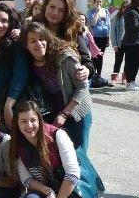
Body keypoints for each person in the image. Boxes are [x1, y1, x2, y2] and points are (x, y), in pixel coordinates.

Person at [9, 101, 83, 198]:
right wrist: (48, 192)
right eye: (23, 121)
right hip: (45, 191)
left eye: (33, 120)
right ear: (17, 124)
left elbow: (72, 174)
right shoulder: (18, 144)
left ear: (39, 120)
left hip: (67, 192)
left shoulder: (57, 135)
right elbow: (26, 179)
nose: (29, 125)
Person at [23, 22, 93, 150]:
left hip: (76, 112)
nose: (38, 44)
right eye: (33, 41)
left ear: (47, 39)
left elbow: (82, 87)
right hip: (52, 116)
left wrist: (64, 114)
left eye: (41, 39)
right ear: (26, 45)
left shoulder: (64, 56)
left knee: (78, 154)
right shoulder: (26, 65)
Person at [33, 0, 95, 79]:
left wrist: (86, 70)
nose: (55, 13)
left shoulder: (74, 30)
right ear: (45, 6)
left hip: (68, 82)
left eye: (61, 10)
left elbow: (87, 62)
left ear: (66, 13)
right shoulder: (34, 26)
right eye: (52, 7)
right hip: (38, 81)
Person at [121, 0, 139, 91]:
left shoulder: (137, 12)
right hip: (131, 43)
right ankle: (129, 82)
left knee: (136, 62)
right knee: (131, 63)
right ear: (138, 4)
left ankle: (132, 80)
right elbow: (134, 27)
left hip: (137, 42)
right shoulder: (132, 12)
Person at [86, 0, 111, 78]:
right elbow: (92, 24)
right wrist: (97, 13)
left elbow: (108, 25)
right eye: (97, 2)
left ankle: (99, 74)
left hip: (104, 37)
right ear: (94, 2)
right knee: (94, 55)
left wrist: (109, 37)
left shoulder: (106, 11)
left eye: (100, 2)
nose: (99, 3)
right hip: (95, 37)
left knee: (100, 56)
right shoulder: (91, 12)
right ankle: (92, 74)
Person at [109, 0, 128, 84]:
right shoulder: (118, 17)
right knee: (118, 61)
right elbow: (113, 31)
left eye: (127, 7)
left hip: (129, 43)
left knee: (127, 61)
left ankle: (125, 77)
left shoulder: (131, 17)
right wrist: (115, 44)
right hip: (119, 43)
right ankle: (114, 78)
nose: (125, 8)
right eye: (124, 7)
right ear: (121, 7)